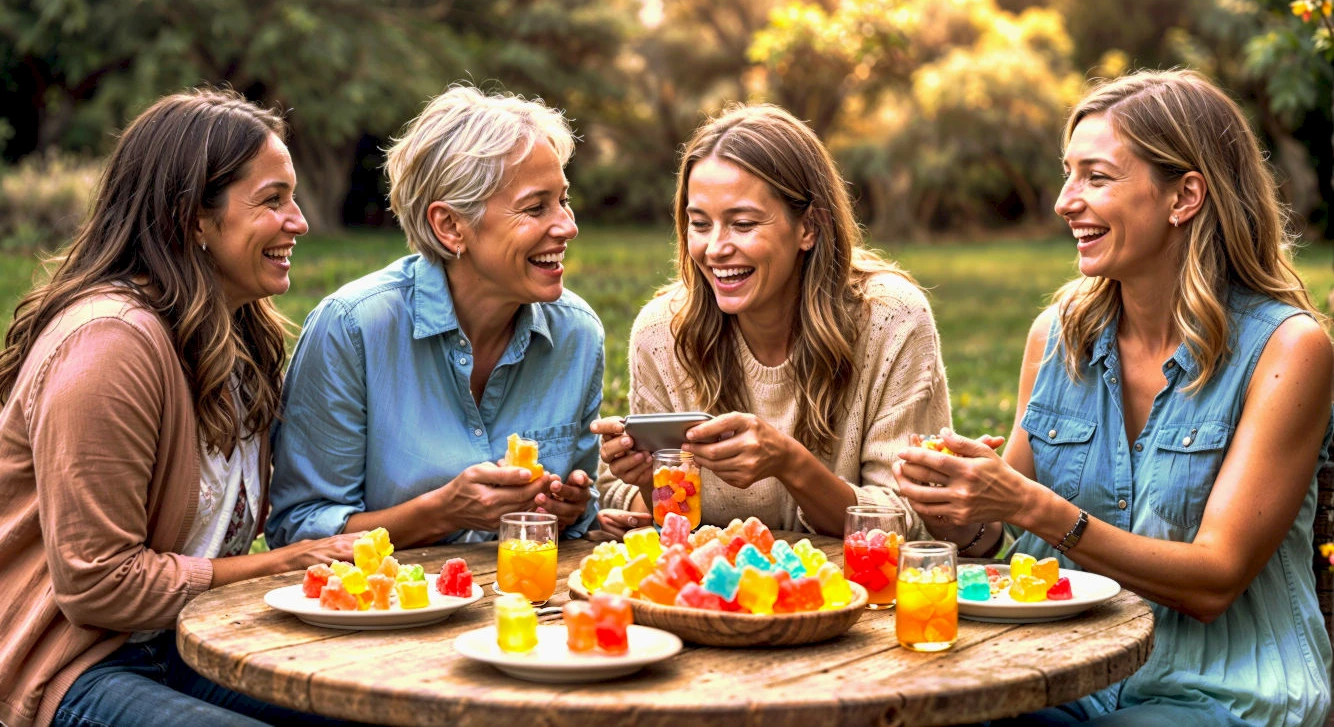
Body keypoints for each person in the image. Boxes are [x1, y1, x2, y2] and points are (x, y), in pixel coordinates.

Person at [895, 70, 1333, 726]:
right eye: (1068, 174)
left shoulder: (1288, 351)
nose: (1064, 202)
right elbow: (1000, 526)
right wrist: (961, 504)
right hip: (1059, 676)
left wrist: (1033, 507)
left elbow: (1214, 578)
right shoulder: (1058, 336)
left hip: (1217, 693)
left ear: (1184, 195)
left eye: (1095, 177)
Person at [0, 89, 359, 727]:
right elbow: (100, 587)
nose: (299, 221)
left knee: (367, 708)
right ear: (193, 217)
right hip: (70, 666)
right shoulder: (110, 346)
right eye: (272, 200)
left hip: (185, 641)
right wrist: (276, 565)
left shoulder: (240, 335)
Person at [594, 103, 987, 549]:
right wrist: (649, 486)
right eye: (699, 224)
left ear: (809, 227)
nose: (715, 248)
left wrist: (790, 464)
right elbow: (645, 507)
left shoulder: (891, 321)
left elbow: (905, 518)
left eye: (742, 224)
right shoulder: (662, 332)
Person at [266, 85, 600, 549]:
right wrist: (439, 513)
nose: (568, 226)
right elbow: (298, 527)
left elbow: (582, 519)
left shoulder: (577, 335)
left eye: (563, 200)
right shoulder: (353, 329)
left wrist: (571, 509)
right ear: (450, 226)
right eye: (535, 207)